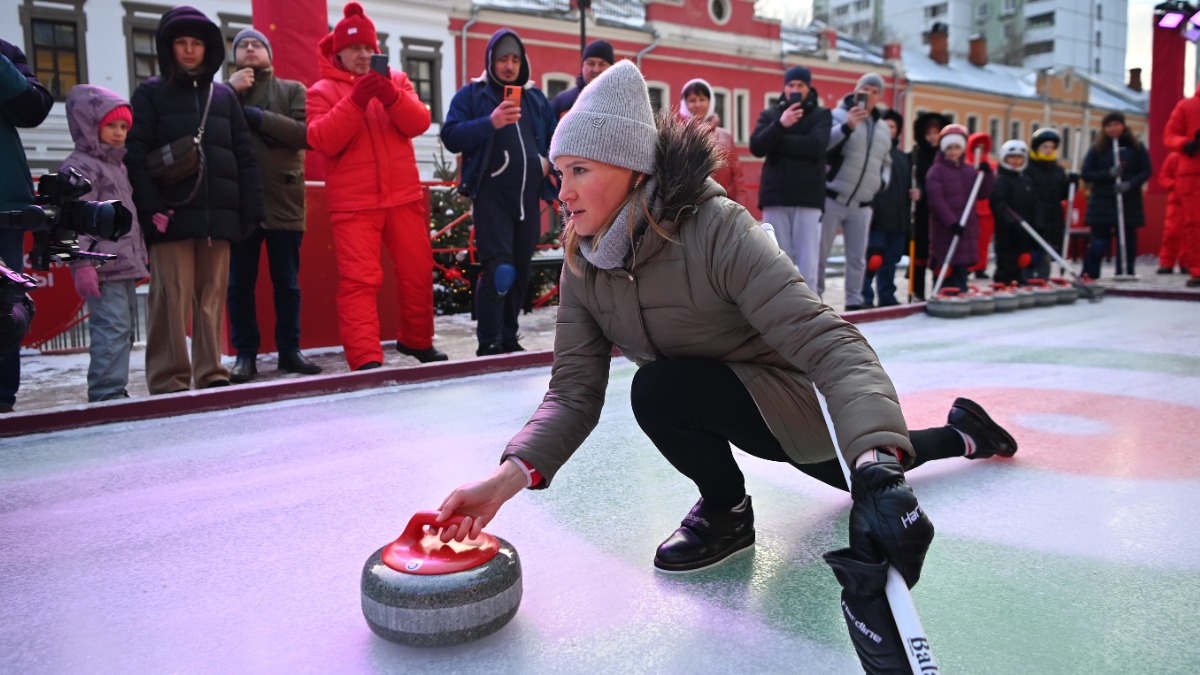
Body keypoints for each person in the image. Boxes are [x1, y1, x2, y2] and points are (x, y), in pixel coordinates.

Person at [431, 62, 1017, 664]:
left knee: (856, 469)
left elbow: (830, 342)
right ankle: (743, 503)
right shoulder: (585, 257)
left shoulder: (716, 228)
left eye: (580, 170)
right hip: (719, 399)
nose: (564, 190)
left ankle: (938, 442)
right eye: (560, 172)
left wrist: (875, 464)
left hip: (792, 396)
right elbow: (574, 391)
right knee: (670, 392)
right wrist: (507, 478)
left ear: (633, 168)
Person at [124, 6, 264, 393]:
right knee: (170, 300)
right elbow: (133, 156)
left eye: (196, 43)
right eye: (181, 43)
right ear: (169, 48)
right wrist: (151, 208)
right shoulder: (150, 93)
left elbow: (244, 156)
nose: (189, 50)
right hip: (170, 216)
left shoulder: (223, 97)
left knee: (211, 300)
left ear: (207, 49)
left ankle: (210, 372)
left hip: (217, 218)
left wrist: (251, 211)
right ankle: (168, 378)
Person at [308, 2, 445, 369]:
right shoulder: (320, 91)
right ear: (338, 52)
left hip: (402, 196)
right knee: (360, 280)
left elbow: (419, 122)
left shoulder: (396, 80)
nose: (364, 55)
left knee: (417, 270)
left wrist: (390, 95)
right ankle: (366, 357)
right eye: (355, 48)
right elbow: (323, 139)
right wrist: (357, 100)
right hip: (354, 205)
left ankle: (416, 341)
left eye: (369, 48)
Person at [441, 29, 556, 356]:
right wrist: (490, 122)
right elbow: (451, 136)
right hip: (491, 197)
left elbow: (555, 137)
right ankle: (488, 341)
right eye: (502, 59)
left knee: (519, 270)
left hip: (528, 198)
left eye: (515, 59)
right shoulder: (473, 95)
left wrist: (546, 163)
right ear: (491, 61)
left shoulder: (535, 99)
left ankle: (509, 336)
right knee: (500, 269)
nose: (508, 65)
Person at [225, 28, 321, 383]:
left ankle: (289, 351)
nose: (250, 49)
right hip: (239, 202)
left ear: (269, 54)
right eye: (242, 45)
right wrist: (230, 94)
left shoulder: (291, 89)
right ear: (234, 56)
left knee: (287, 283)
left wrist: (259, 117)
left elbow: (305, 134)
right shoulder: (221, 93)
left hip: (285, 198)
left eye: (257, 45)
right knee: (239, 285)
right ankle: (244, 355)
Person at [60, 85, 149, 402]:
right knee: (111, 327)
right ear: (89, 125)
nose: (119, 133)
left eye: (124, 127)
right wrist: (82, 265)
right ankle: (106, 391)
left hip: (119, 264)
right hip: (99, 265)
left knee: (123, 328)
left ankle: (114, 387)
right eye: (111, 125)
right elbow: (74, 220)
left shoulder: (116, 166)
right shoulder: (79, 168)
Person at [0, 39, 53, 413]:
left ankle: (2, 401)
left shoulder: (5, 52)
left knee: (5, 308)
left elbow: (33, 109)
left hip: (3, 206)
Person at [749, 65, 831, 290]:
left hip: (808, 198)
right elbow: (757, 146)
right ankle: (780, 313)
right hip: (775, 196)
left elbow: (816, 146)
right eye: (791, 85)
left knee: (808, 265)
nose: (795, 89)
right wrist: (781, 125)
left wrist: (778, 143)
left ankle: (813, 317)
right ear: (785, 88)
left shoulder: (821, 115)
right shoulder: (771, 115)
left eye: (800, 85)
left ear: (808, 87)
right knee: (775, 261)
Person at [821, 73, 893, 311]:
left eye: (875, 91)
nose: (869, 94)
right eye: (865, 88)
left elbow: (887, 162)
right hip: (832, 196)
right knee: (820, 253)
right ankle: (814, 299)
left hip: (863, 203)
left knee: (857, 258)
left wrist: (881, 183)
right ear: (856, 91)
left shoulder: (883, 128)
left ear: (879, 97)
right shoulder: (836, 115)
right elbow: (823, 146)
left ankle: (854, 301)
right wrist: (847, 126)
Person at [1080, 112, 1151, 280]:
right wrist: (1109, 173)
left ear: (1123, 125)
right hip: (1102, 202)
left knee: (1127, 240)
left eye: (1116, 124)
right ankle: (1090, 273)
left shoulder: (1136, 147)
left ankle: (1125, 271)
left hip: (1128, 201)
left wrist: (1130, 184)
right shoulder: (1098, 149)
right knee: (1099, 241)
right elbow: (1087, 173)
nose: (1113, 128)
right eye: (1109, 125)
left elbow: (1146, 170)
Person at [926, 124, 993, 294]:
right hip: (946, 231)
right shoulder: (936, 171)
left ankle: (961, 293)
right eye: (949, 147)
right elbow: (936, 200)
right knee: (945, 269)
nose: (953, 151)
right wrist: (952, 222)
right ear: (943, 149)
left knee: (961, 269)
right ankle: (942, 293)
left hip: (966, 231)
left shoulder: (969, 171)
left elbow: (982, 193)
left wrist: (987, 175)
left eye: (957, 147)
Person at [862, 109, 910, 308]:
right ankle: (864, 297)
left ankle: (887, 295)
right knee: (872, 261)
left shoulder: (903, 158)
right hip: (876, 219)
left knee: (890, 262)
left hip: (897, 220)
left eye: (892, 126)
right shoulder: (871, 154)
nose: (888, 130)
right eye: (885, 126)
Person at [678, 78, 748, 205]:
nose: (698, 104)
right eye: (692, 100)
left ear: (710, 102)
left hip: (723, 207)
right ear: (684, 103)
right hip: (688, 209)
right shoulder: (677, 136)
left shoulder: (725, 137)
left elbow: (738, 180)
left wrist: (740, 209)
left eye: (702, 99)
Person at [909, 112, 951, 301]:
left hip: (942, 214)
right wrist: (916, 192)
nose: (933, 137)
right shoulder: (916, 155)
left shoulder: (948, 157)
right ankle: (917, 291)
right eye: (929, 133)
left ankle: (939, 290)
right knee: (919, 254)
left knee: (939, 254)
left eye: (936, 132)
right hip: (921, 214)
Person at [1162, 87, 1200, 287]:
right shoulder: (1187, 105)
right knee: (1194, 225)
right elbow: (1170, 135)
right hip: (1193, 174)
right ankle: (1197, 270)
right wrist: (1187, 144)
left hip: (1190, 175)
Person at [1025, 127, 1072, 280]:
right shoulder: (1028, 168)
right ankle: (1027, 276)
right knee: (1033, 249)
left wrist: (1072, 183)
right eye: (1044, 147)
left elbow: (1062, 194)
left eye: (1051, 147)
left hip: (1053, 215)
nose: (1048, 150)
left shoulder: (1057, 170)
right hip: (1034, 214)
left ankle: (1043, 278)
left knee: (1047, 249)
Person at [989, 139, 1037, 286]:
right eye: (1012, 157)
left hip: (1024, 228)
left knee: (1022, 259)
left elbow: (1032, 203)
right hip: (1007, 231)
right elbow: (997, 204)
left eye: (1019, 157)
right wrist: (1010, 222)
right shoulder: (1002, 180)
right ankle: (1003, 282)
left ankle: (1020, 280)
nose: (1015, 161)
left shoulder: (1027, 180)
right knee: (1006, 261)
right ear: (1004, 158)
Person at [549, 40, 613, 120]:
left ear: (611, 68)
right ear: (583, 66)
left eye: (602, 64)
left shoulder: (619, 103)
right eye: (591, 63)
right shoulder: (562, 102)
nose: (596, 69)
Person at [1155, 151, 1188, 275]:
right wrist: (1176, 186)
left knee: (1192, 234)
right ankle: (1167, 263)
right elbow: (1163, 177)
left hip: (1194, 200)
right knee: (1171, 233)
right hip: (1176, 202)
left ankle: (1188, 263)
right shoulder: (1174, 157)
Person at [967, 132, 995, 281]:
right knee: (968, 241)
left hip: (987, 210)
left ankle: (980, 266)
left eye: (984, 148)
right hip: (970, 210)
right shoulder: (966, 165)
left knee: (983, 241)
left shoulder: (992, 166)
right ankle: (967, 266)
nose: (980, 151)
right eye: (977, 147)